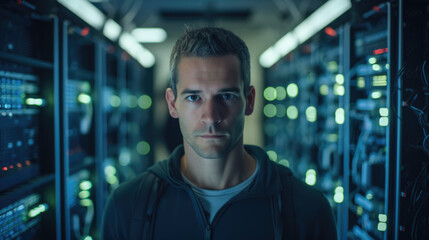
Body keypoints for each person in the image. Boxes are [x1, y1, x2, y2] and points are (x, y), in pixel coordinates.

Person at [102, 27, 337, 240]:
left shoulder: (307, 209)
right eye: (194, 97)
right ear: (172, 104)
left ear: (250, 101)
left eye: (227, 96)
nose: (211, 116)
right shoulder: (128, 207)